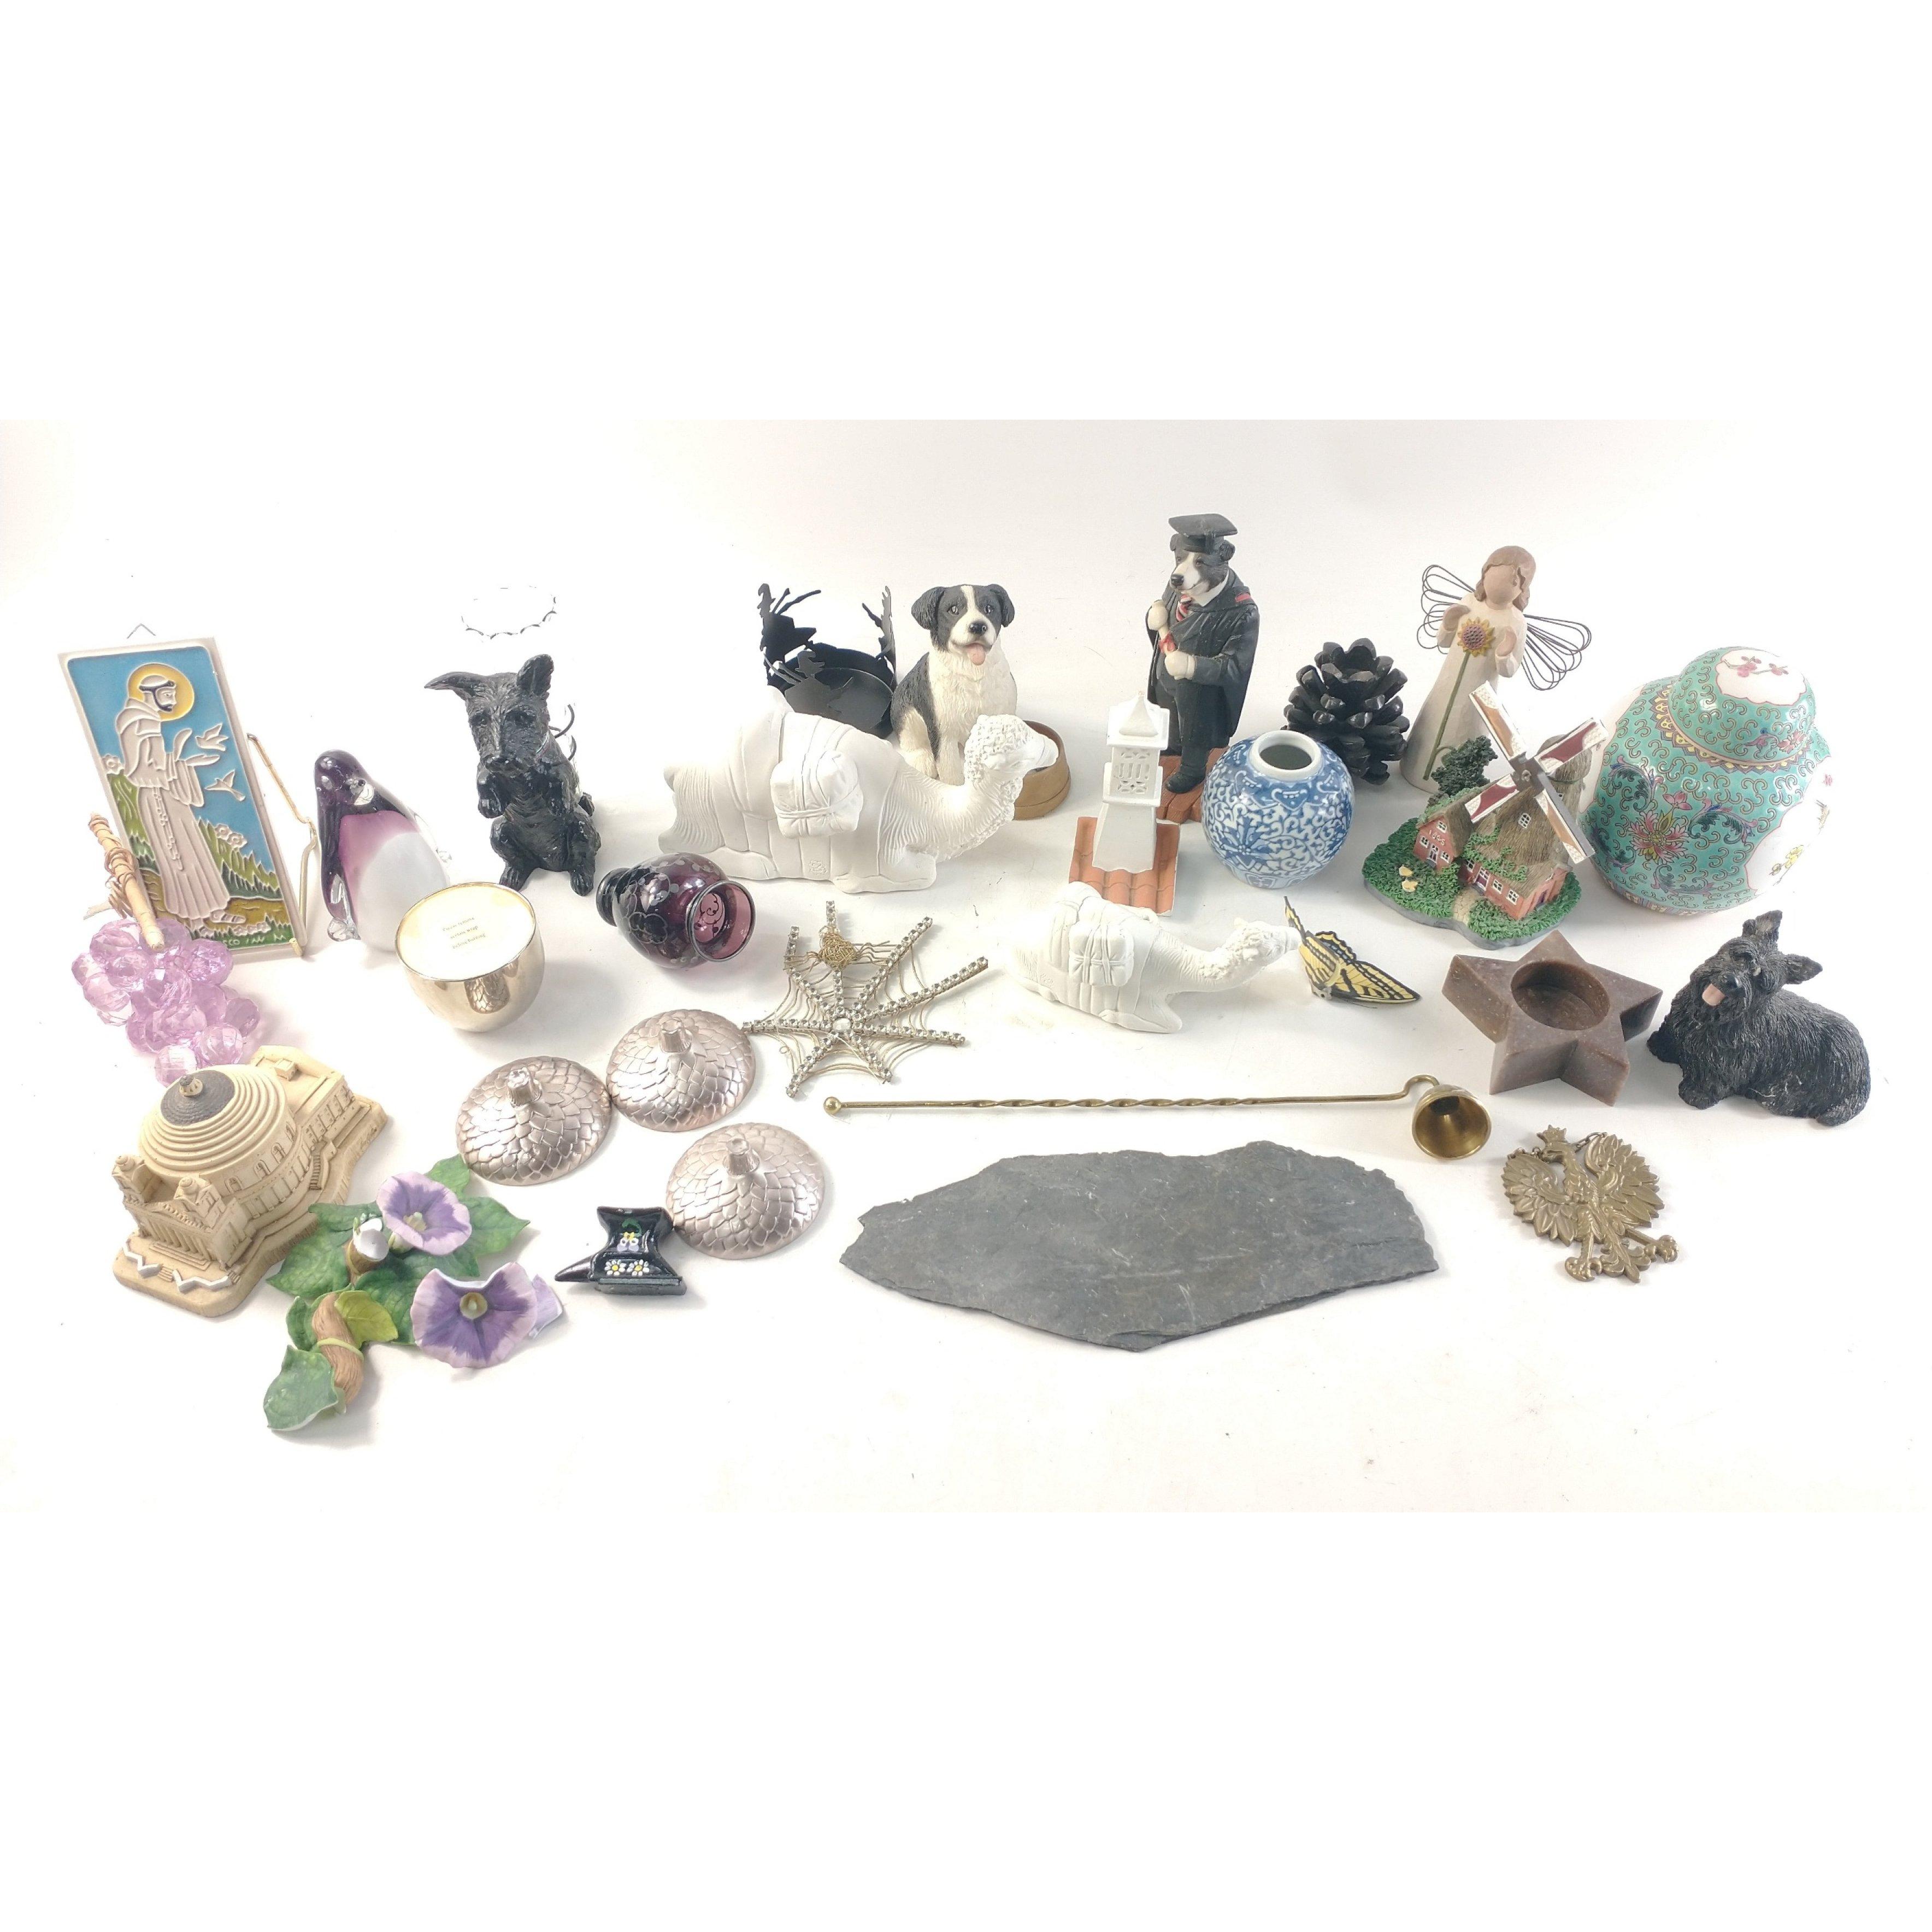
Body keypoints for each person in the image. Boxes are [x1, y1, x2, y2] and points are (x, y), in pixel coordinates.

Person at [1399, 545, 1534, 791]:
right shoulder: (1469, 603)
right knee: (1434, 723)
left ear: (1521, 589)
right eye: (1494, 575)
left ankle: (1451, 784)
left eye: (1513, 581)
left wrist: (1505, 654)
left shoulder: (1515, 621)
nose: (1500, 585)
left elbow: (1509, 671)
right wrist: (1449, 623)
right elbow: (1443, 642)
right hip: (1446, 685)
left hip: (1478, 696)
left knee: (1464, 732)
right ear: (1484, 574)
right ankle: (1416, 767)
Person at [1145, 513, 1260, 793]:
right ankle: (1173, 749)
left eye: (1199, 562)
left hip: (1200, 693)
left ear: (1222, 560)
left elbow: (1235, 666)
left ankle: (1192, 769)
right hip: (1166, 677)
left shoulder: (1241, 611)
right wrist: (1153, 617)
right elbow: (1166, 627)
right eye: (1181, 559)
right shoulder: (1179, 585)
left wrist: (1192, 666)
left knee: (1196, 729)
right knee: (1171, 719)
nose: (1182, 571)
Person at [109, 670, 231, 923]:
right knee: (179, 856)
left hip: (168, 794)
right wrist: (180, 764)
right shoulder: (140, 723)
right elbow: (142, 770)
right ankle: (195, 918)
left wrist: (180, 762)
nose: (174, 700)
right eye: (167, 695)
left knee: (193, 849)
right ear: (151, 695)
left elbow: (158, 762)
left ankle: (213, 910)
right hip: (158, 798)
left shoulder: (148, 720)